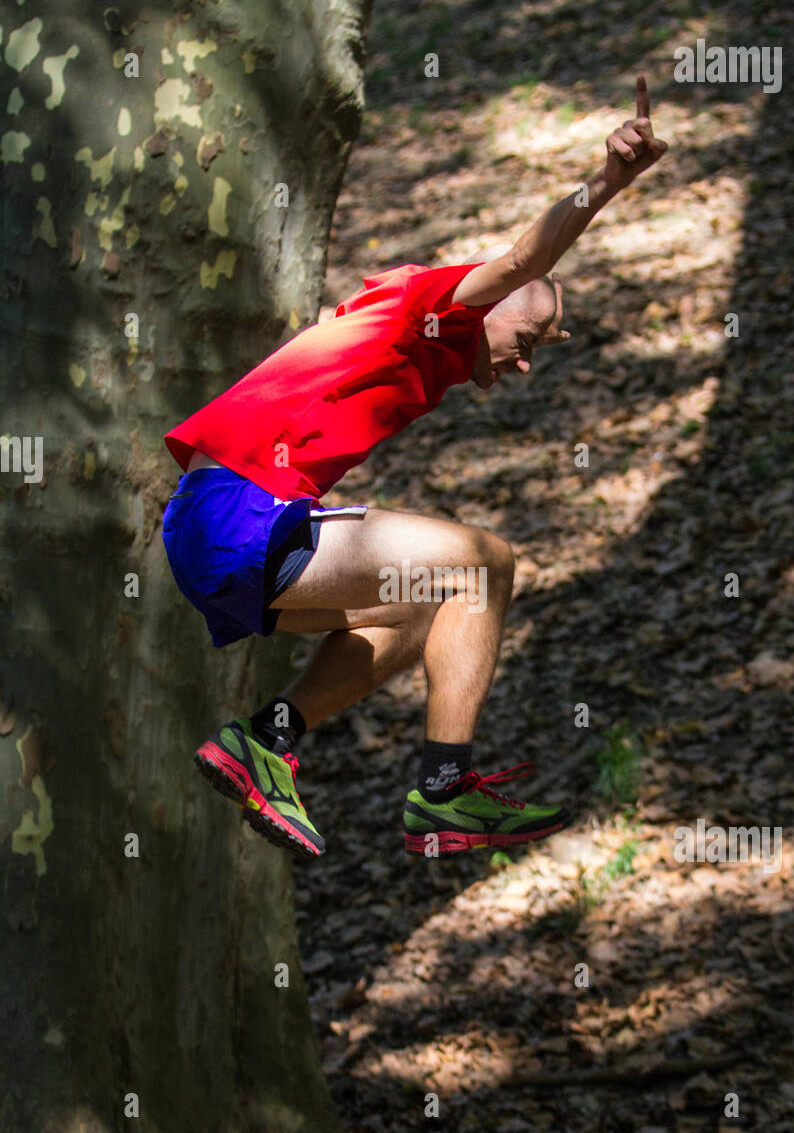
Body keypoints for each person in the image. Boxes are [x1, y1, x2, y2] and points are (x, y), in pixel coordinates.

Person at [161, 76, 668, 859]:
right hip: (234, 511)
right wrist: (605, 182)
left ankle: (264, 742)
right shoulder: (424, 307)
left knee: (411, 609)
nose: (523, 365)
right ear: (487, 309)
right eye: (526, 342)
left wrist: (535, 318)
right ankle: (445, 793)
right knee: (485, 564)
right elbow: (524, 258)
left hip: (211, 530)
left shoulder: (418, 350)